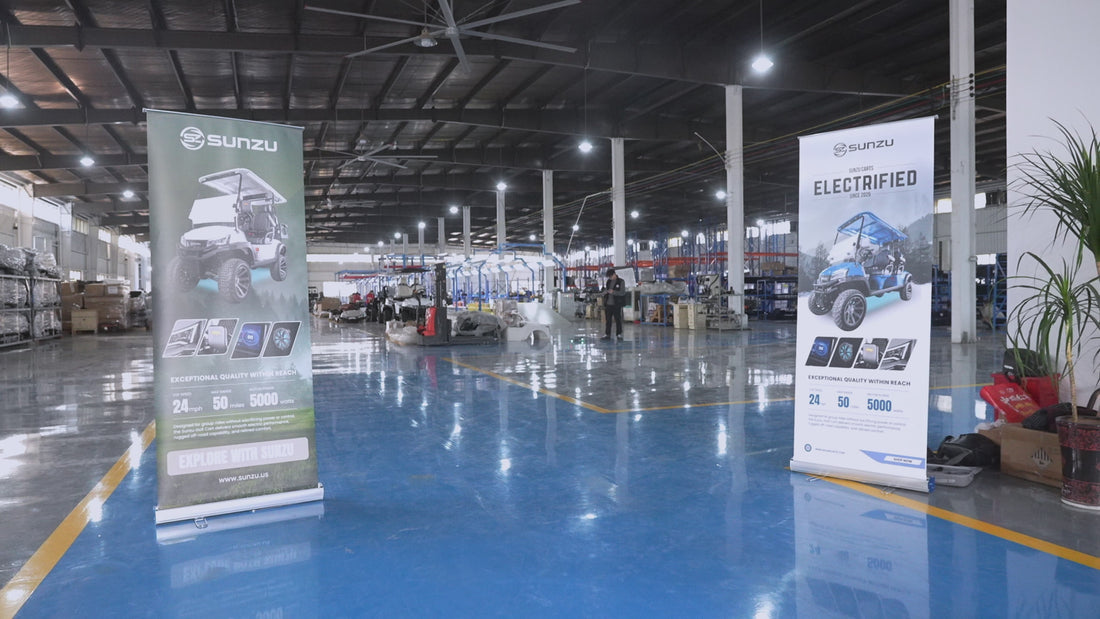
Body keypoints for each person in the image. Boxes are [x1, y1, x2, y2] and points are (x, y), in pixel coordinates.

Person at [601, 267, 626, 340]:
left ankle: (619, 334)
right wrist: (605, 292)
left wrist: (614, 292)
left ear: (614, 274)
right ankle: (607, 334)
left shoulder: (621, 281)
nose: (610, 278)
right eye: (609, 277)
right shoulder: (608, 281)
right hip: (608, 304)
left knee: (618, 319)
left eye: (611, 276)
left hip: (616, 304)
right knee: (608, 320)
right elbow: (606, 289)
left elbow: (622, 293)